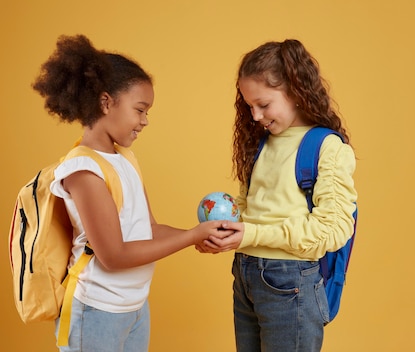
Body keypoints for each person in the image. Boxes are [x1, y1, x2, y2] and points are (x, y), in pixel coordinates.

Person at [32, 34, 231, 351]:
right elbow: (113, 256)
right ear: (106, 101)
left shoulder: (124, 158)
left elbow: (150, 229)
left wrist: (199, 236)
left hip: (135, 306)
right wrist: (192, 235)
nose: (145, 121)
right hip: (96, 312)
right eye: (140, 109)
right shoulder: (84, 170)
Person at [197, 39, 358, 351]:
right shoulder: (262, 145)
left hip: (289, 282)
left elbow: (333, 229)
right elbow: (250, 208)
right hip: (245, 273)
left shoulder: (326, 148)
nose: (255, 116)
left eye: (263, 104)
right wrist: (225, 230)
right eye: (249, 106)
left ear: (296, 92)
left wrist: (249, 233)